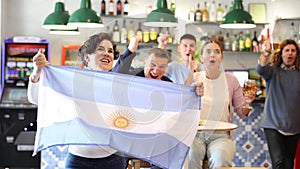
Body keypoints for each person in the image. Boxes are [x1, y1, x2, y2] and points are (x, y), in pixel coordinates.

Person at [28, 32, 140, 169]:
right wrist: (36, 73)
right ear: (87, 57)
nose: (107, 54)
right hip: (79, 160)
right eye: (101, 49)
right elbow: (36, 99)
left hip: (113, 159)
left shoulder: (118, 84)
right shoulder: (72, 82)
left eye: (110, 51)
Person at [185, 40, 255, 169]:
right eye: (208, 51)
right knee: (191, 157)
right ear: (201, 57)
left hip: (221, 135)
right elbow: (181, 105)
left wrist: (247, 103)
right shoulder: (194, 78)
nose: (212, 55)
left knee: (221, 160)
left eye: (217, 52)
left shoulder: (231, 80)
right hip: (195, 134)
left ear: (221, 57)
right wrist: (191, 91)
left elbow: (242, 112)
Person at [256, 39, 300, 169]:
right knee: (278, 162)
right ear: (281, 54)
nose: (290, 53)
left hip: (294, 126)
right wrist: (265, 53)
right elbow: (261, 69)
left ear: (297, 54)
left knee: (288, 164)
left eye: (293, 51)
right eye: (286, 50)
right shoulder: (273, 71)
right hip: (273, 124)